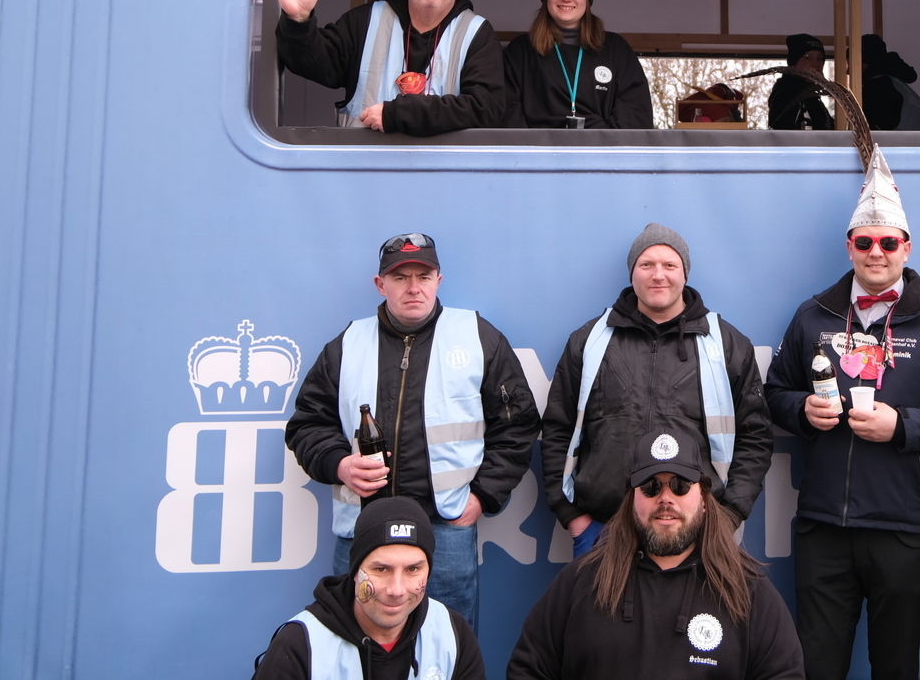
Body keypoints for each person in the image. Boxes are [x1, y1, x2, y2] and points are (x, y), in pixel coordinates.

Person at [763, 147, 920, 680]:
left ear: (906, 248)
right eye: (864, 242)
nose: (876, 253)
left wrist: (903, 426)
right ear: (849, 247)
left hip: (903, 526)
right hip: (824, 524)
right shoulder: (811, 315)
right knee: (816, 666)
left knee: (896, 665)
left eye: (888, 243)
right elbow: (774, 394)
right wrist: (801, 410)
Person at [285, 233, 539, 630]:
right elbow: (307, 424)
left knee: (447, 644)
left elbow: (518, 424)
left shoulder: (476, 336)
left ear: (439, 280)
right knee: (357, 643)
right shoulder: (348, 344)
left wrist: (482, 496)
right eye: (401, 277)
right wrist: (339, 465)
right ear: (380, 284)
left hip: (445, 528)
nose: (414, 287)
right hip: (363, 528)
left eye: (424, 275)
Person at [541, 224, 774, 558]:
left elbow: (756, 437)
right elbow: (557, 428)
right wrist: (572, 517)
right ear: (632, 273)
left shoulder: (726, 344)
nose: (658, 275)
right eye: (646, 264)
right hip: (604, 532)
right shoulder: (589, 341)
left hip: (697, 534)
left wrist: (729, 516)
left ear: (685, 273)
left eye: (669, 265)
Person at [508, 430, 804, 680]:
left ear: (703, 499)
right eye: (651, 487)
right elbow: (528, 669)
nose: (665, 498)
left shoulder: (746, 590)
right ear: (632, 500)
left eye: (680, 485)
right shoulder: (582, 582)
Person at [268, 0, 505, 134]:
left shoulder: (477, 33)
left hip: (443, 169)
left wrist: (397, 114)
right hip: (365, 167)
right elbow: (312, 64)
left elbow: (487, 109)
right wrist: (298, 20)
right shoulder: (364, 20)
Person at [252, 497, 485, 680]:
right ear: (355, 571)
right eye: (381, 569)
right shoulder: (300, 644)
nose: (396, 590)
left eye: (413, 569)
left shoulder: (451, 633)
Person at [503, 0, 653, 129]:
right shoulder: (519, 52)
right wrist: (535, 147)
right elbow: (505, 111)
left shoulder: (616, 50)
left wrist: (601, 142)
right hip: (537, 148)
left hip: (600, 147)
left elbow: (637, 112)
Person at [860, 35, 920, 131]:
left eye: (849, 62)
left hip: (893, 140)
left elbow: (869, 129)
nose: (847, 71)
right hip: (916, 140)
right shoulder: (899, 86)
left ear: (863, 61)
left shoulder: (877, 86)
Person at [768, 34, 833, 130]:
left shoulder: (813, 94)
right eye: (807, 57)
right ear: (794, 63)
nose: (816, 64)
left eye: (820, 58)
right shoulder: (786, 92)